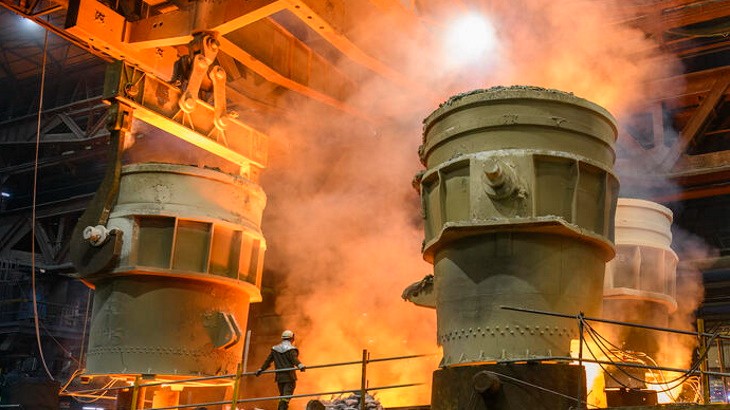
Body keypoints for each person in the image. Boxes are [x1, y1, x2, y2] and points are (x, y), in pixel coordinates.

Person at [255, 330, 306, 410]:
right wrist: (301, 366)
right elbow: (294, 359)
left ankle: (281, 408)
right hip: (289, 377)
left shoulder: (275, 349)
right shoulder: (291, 349)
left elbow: (268, 361)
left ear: (282, 338)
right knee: (286, 397)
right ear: (292, 339)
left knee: (282, 396)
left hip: (280, 378)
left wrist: (261, 369)